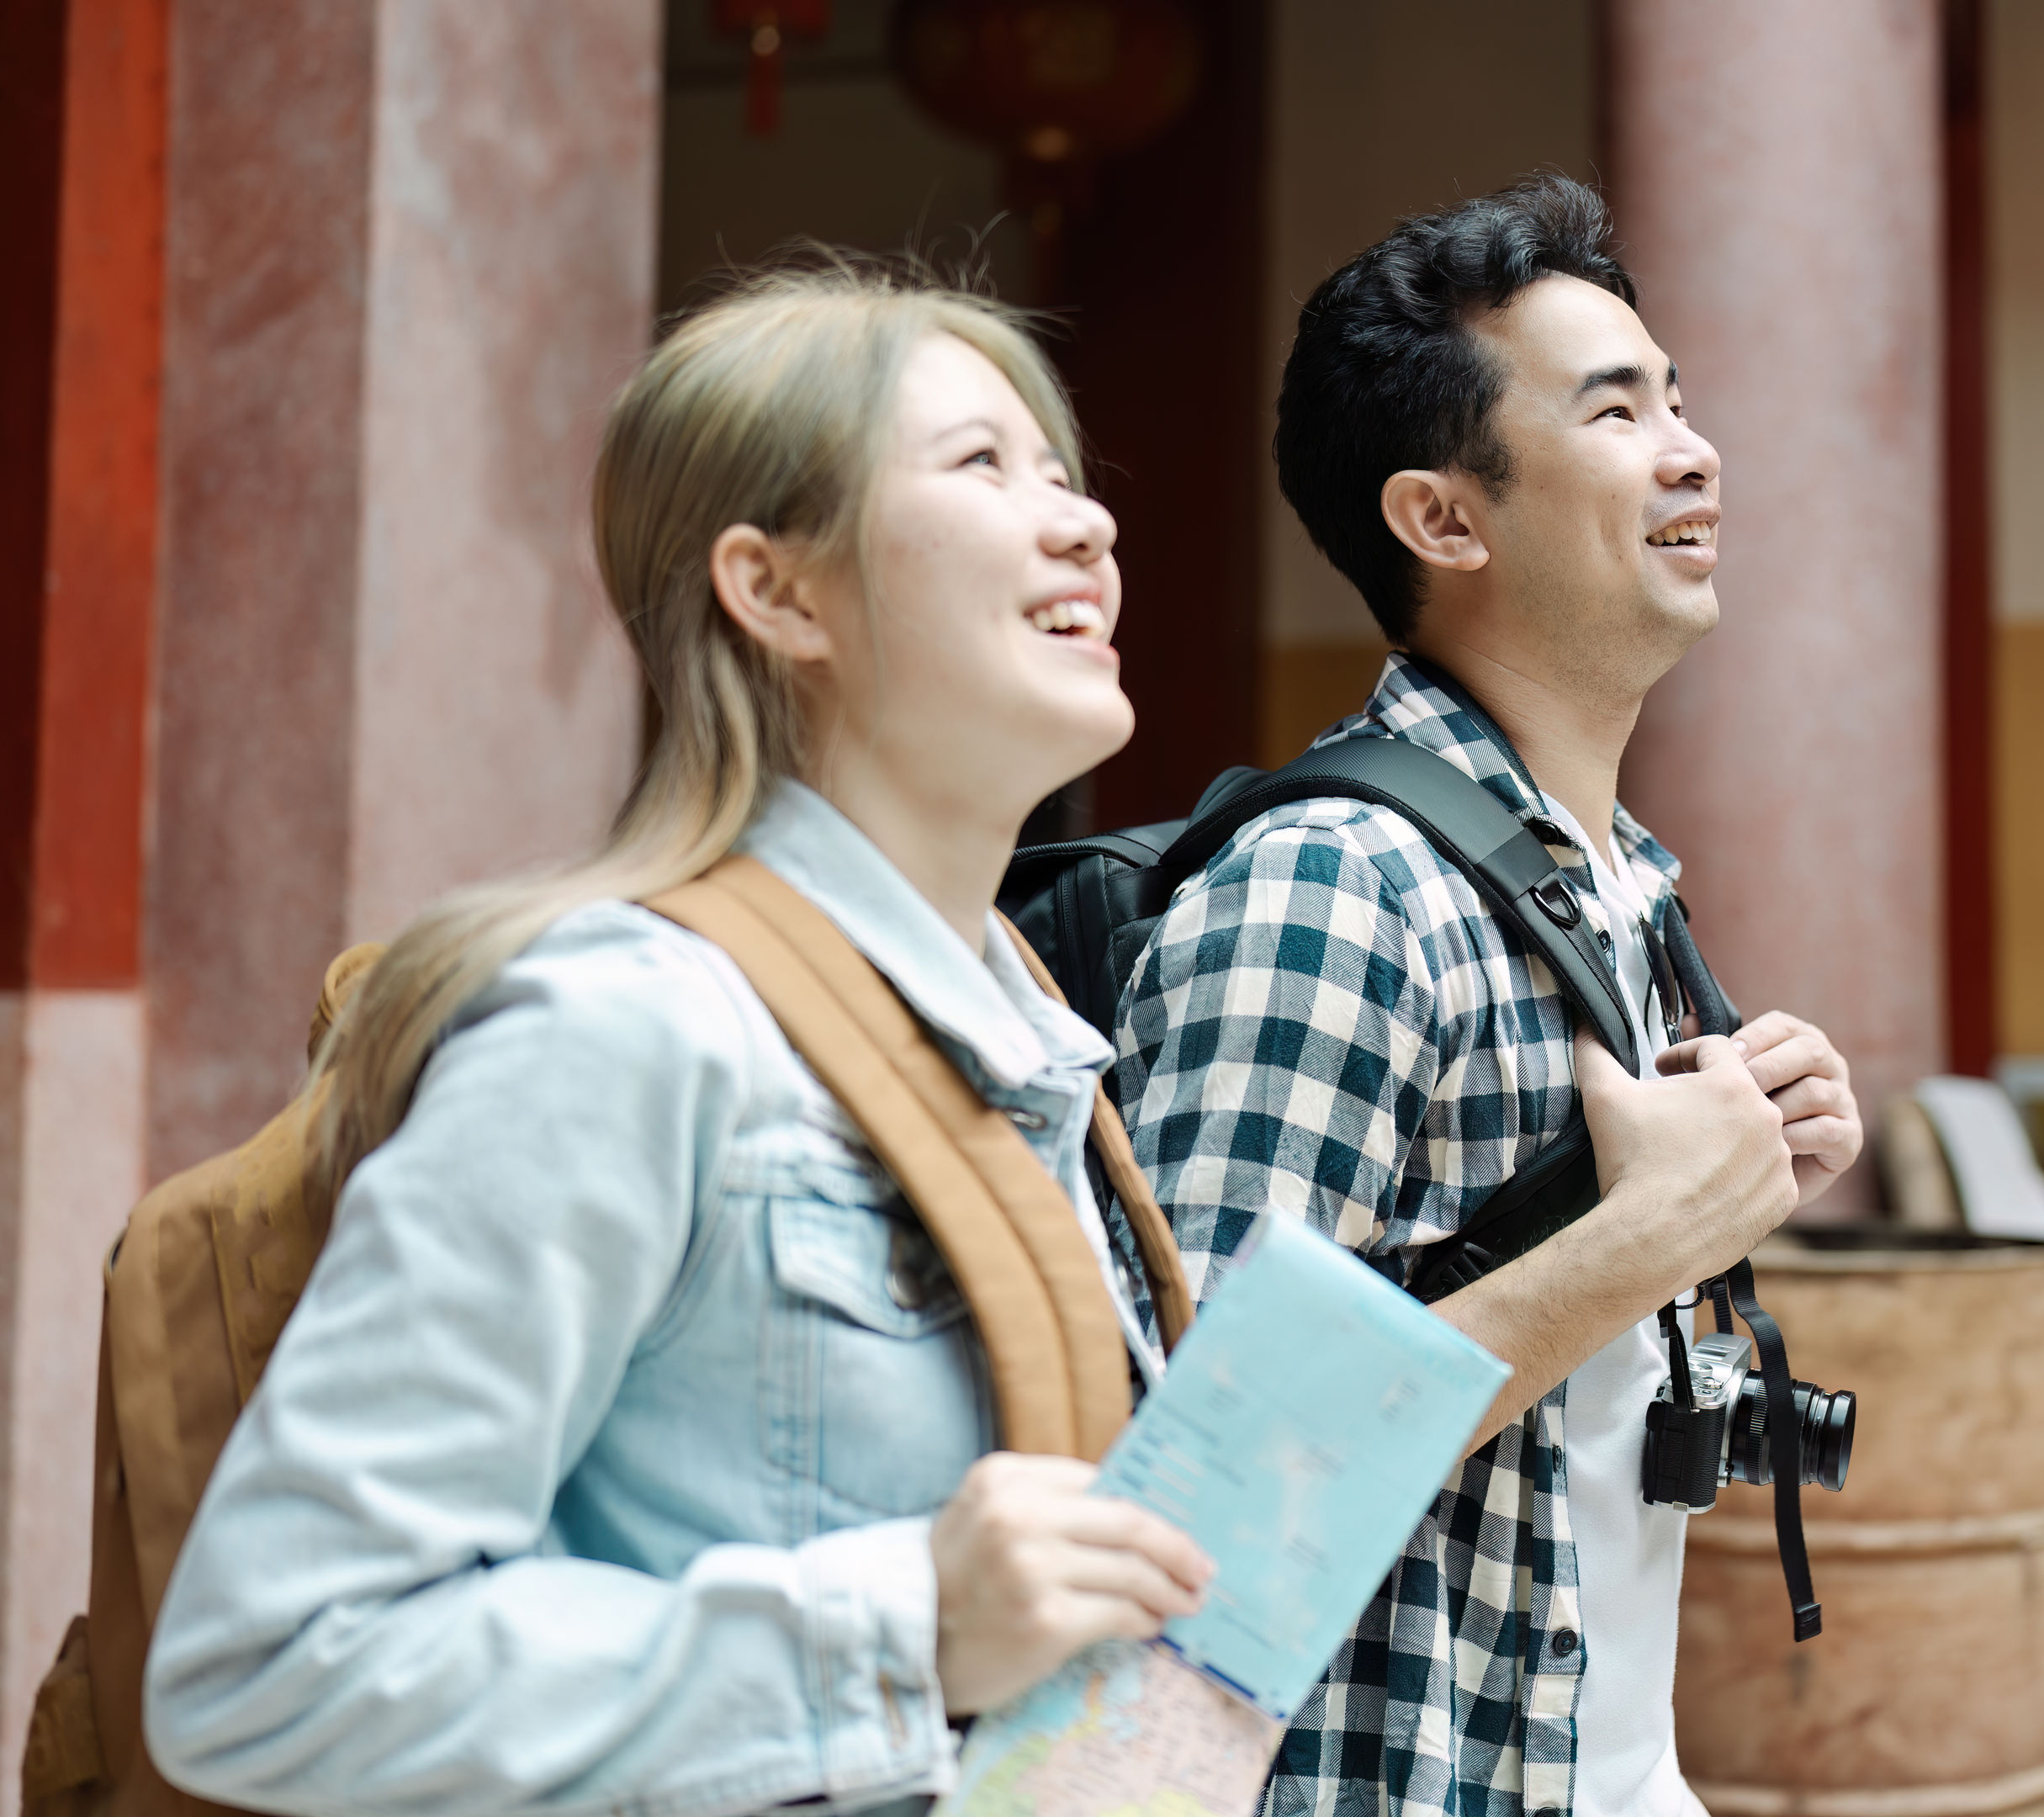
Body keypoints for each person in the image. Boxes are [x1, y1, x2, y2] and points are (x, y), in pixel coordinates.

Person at [145, 264, 1208, 1814]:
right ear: (777, 592)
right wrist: (906, 1627)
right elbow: (271, 1660)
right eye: (983, 464)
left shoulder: (1036, 1044)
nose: (1085, 523)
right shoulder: (630, 1021)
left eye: (1062, 471)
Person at [1110, 176, 1867, 1817]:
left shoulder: (1620, 886)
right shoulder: (1334, 887)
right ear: (1443, 520)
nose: (1692, 450)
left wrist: (1731, 1167)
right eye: (1616, 411)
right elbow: (1193, 1489)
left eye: (1677, 397)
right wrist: (1645, 1240)